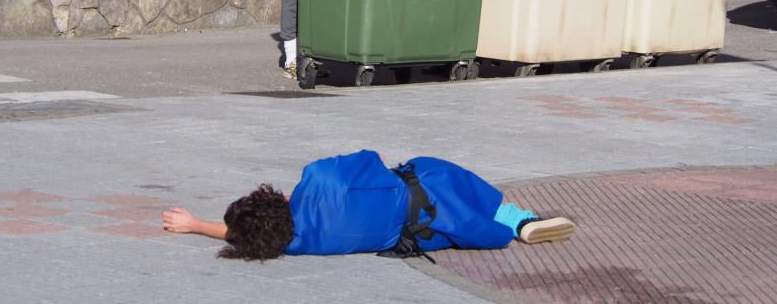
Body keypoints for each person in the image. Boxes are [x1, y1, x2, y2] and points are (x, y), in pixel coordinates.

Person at [162, 149, 574, 260]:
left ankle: (510, 223)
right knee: (438, 173)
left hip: (420, 235)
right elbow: (371, 160)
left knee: (456, 218)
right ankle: (519, 217)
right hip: (422, 189)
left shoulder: (297, 242)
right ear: (269, 198)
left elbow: (244, 236)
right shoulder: (317, 179)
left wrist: (195, 224)